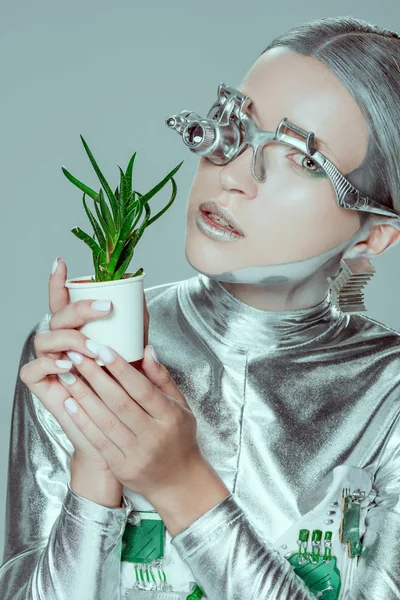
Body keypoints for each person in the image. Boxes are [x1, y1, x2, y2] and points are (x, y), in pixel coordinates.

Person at [1, 14, 400, 600]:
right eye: (235, 125)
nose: (233, 172)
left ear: (373, 236)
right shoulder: (84, 349)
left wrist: (179, 482)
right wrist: (97, 464)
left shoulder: (389, 396)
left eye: (304, 159)